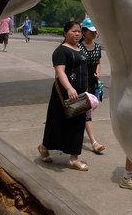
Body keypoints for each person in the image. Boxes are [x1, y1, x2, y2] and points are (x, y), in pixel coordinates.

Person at [38, 21, 90, 171]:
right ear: (65, 33)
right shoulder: (60, 51)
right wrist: (69, 88)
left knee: (78, 125)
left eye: (79, 31)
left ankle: (74, 159)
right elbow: (60, 72)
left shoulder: (80, 49)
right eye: (74, 31)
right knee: (57, 123)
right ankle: (44, 147)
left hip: (80, 94)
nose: (77, 34)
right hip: (64, 94)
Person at [79, 17, 106, 154]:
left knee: (85, 113)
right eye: (91, 31)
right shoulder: (78, 47)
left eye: (95, 32)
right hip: (79, 85)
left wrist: (97, 71)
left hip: (92, 85)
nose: (94, 34)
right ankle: (94, 143)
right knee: (85, 113)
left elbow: (99, 62)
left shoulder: (97, 47)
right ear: (84, 32)